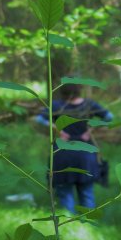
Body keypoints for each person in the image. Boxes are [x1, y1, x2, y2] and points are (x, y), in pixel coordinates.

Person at [36, 83, 112, 213]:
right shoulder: (89, 105)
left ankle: (70, 226)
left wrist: (57, 130)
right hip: (85, 153)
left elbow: (39, 119)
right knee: (87, 193)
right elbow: (109, 117)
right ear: (79, 89)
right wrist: (90, 131)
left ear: (62, 90)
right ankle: (88, 226)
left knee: (65, 193)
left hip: (62, 153)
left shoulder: (56, 105)